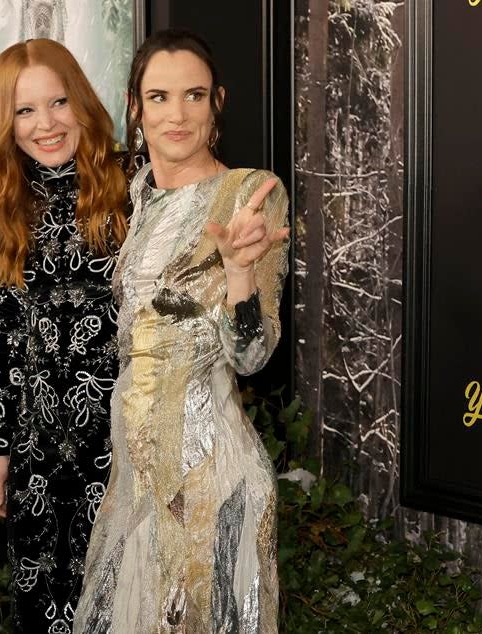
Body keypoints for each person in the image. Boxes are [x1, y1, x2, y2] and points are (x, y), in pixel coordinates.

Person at [74, 29, 290, 633]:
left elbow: (253, 358)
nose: (178, 114)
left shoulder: (249, 194)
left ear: (217, 101)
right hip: (136, 479)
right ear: (135, 105)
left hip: (212, 483)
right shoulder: (138, 193)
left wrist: (241, 274)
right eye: (160, 97)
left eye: (194, 95)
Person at [0, 38, 128, 633]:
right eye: (25, 110)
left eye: (59, 101)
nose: (46, 124)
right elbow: (10, 337)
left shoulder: (129, 184)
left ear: (82, 100)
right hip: (40, 453)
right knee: (46, 612)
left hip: (123, 443)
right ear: (4, 123)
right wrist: (1, 445)